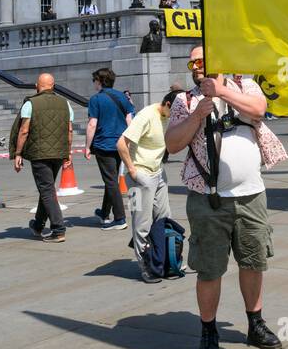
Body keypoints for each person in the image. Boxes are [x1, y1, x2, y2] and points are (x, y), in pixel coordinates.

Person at [165, 45, 283, 349]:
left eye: (202, 61)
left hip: (251, 194)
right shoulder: (184, 100)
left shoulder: (244, 85)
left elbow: (258, 110)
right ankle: (208, 331)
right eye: (193, 62)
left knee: (253, 261)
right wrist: (198, 114)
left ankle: (255, 323)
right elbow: (173, 143)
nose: (196, 67)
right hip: (207, 198)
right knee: (209, 268)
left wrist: (221, 92)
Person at [117, 90, 181, 282]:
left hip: (158, 173)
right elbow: (121, 143)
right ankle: (145, 265)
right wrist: (133, 171)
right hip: (140, 175)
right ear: (168, 105)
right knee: (141, 222)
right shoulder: (146, 115)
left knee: (163, 217)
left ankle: (163, 260)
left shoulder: (169, 117)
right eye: (177, 112)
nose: (179, 116)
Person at [13, 73, 75, 242]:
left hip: (40, 154)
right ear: (53, 85)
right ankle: (38, 224)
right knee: (46, 188)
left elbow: (24, 130)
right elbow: (69, 130)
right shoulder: (65, 104)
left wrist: (18, 153)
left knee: (47, 190)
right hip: (59, 152)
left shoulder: (31, 103)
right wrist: (68, 151)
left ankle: (58, 229)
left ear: (36, 86)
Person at [85, 67, 134, 230]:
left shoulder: (96, 99)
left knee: (111, 181)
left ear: (99, 81)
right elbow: (129, 119)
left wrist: (87, 146)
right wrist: (131, 141)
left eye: (94, 80)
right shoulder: (123, 97)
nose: (94, 83)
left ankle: (120, 218)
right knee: (111, 178)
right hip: (121, 143)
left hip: (103, 144)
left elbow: (92, 124)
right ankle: (104, 212)